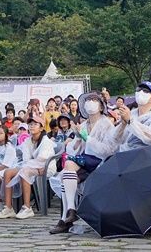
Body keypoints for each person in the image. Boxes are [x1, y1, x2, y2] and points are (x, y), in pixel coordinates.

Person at [50, 90, 118, 233]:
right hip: (84, 161)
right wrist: (79, 138)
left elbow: (108, 150)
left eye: (94, 100)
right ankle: (68, 214)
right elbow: (73, 150)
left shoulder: (106, 125)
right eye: (88, 100)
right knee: (65, 174)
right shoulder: (84, 124)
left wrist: (89, 139)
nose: (90, 103)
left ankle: (68, 213)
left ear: (101, 106)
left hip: (101, 162)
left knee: (67, 168)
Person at [0, 118, 54, 219]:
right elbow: (26, 159)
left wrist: (38, 165)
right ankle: (9, 208)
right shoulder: (27, 140)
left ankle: (27, 207)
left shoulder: (46, 141)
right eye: (30, 124)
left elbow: (42, 158)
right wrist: (33, 164)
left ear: (41, 128)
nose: (31, 126)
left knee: (25, 171)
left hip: (45, 168)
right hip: (31, 166)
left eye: (35, 124)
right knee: (7, 173)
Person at [115, 81, 151, 152]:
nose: (141, 92)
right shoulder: (131, 113)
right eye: (138, 89)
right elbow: (117, 140)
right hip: (125, 154)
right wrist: (123, 124)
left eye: (145, 91)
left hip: (146, 156)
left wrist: (130, 121)